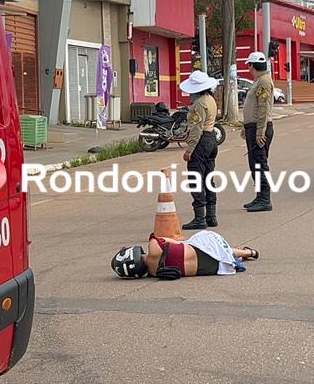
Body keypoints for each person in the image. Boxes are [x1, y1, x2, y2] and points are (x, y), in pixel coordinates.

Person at [111, 230, 260, 280]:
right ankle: (248, 252)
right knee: (200, 242)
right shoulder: (153, 245)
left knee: (205, 250)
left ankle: (243, 254)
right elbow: (176, 241)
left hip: (214, 268)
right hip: (211, 251)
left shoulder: (154, 273)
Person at [179, 70, 220, 230]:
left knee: (196, 179)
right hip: (211, 140)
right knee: (209, 178)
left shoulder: (199, 104)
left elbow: (196, 129)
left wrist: (189, 150)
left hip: (201, 142)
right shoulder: (210, 99)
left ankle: (199, 218)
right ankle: (211, 216)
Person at [242, 51, 275, 212]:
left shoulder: (264, 82)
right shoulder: (258, 81)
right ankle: (259, 196)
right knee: (254, 164)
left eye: (249, 65)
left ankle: (265, 199)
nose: (248, 68)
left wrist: (260, 132)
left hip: (259, 128)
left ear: (252, 65)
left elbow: (263, 108)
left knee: (260, 164)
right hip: (253, 127)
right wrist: (246, 127)